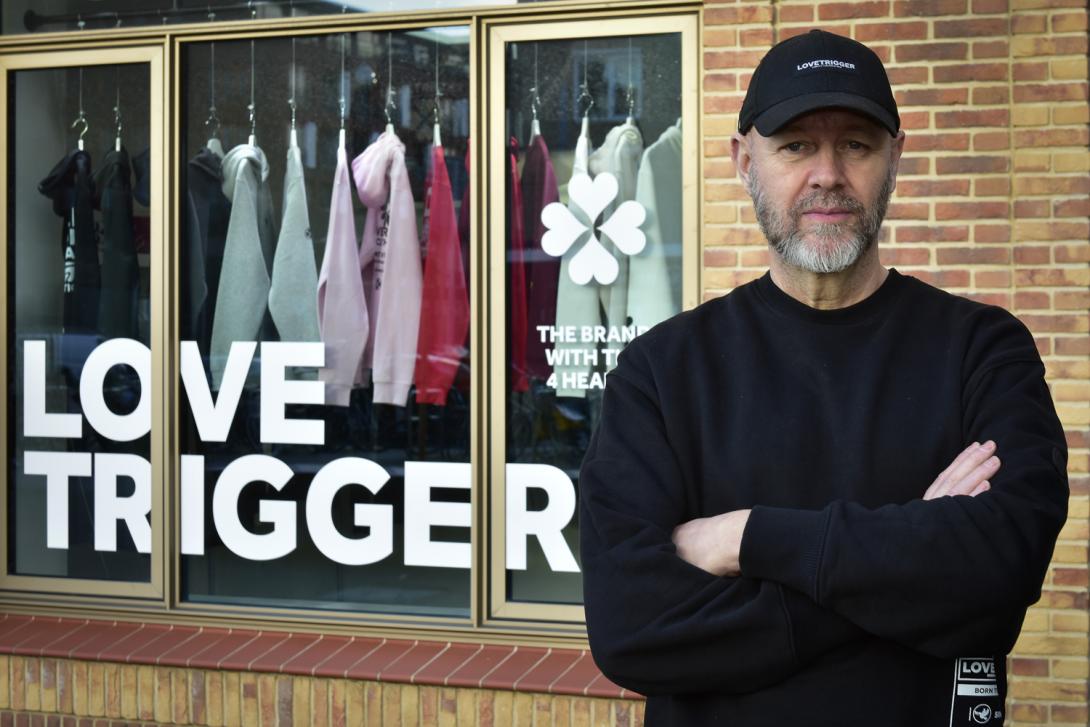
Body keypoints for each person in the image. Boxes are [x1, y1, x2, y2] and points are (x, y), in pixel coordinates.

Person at [579, 29, 1068, 726]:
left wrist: (746, 538)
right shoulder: (662, 372)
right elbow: (631, 627)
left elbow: (1003, 565)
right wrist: (910, 559)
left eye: (857, 145)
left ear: (895, 157)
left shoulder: (982, 351)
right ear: (744, 161)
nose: (829, 174)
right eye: (797, 145)